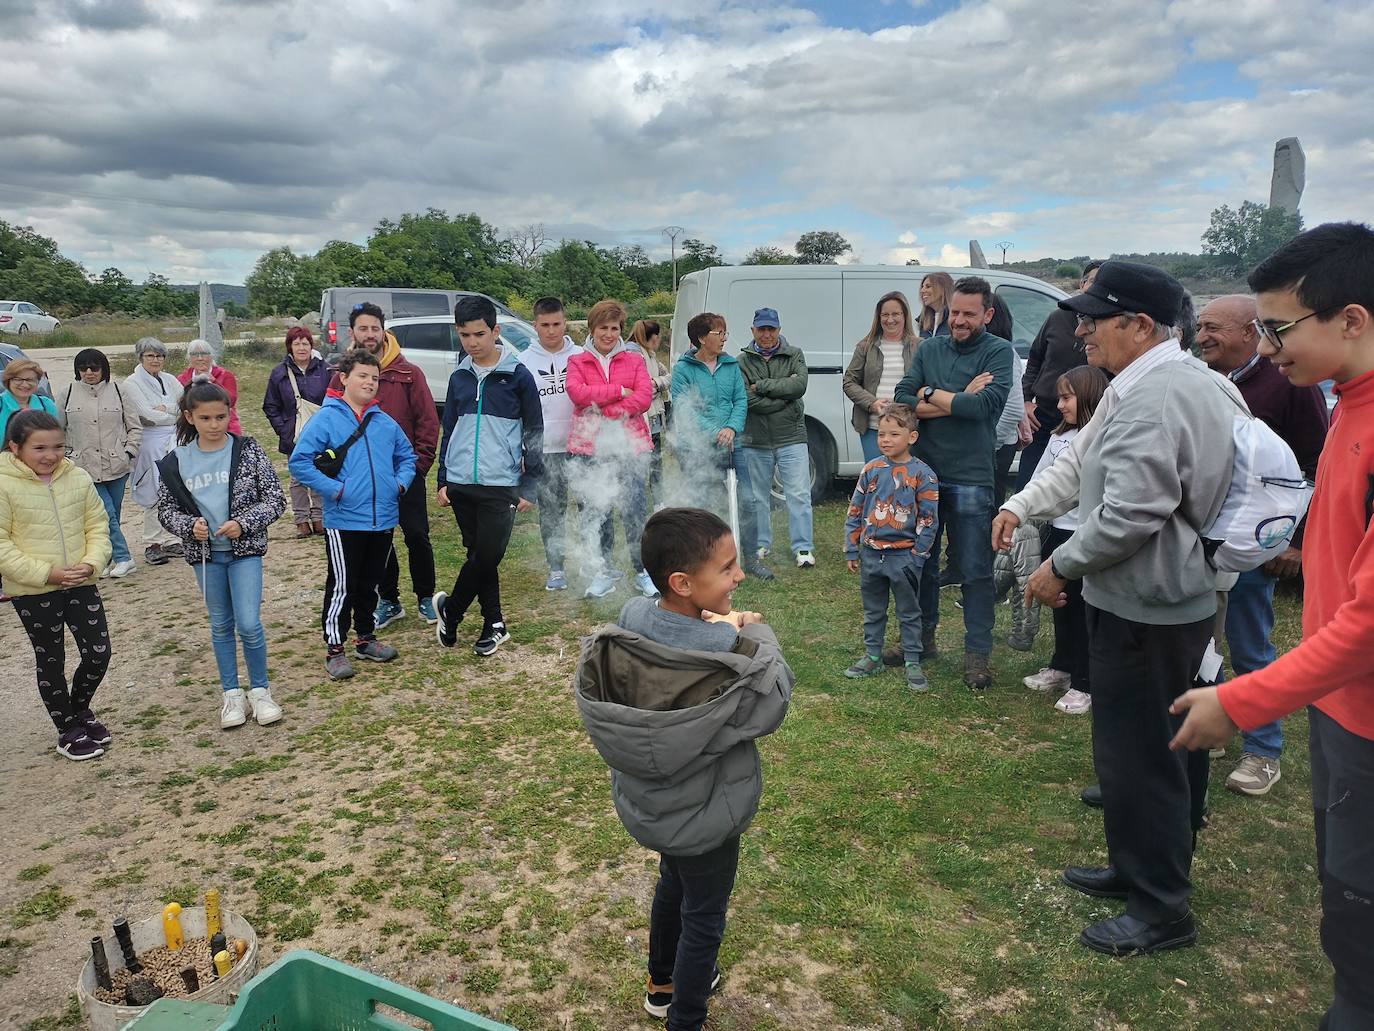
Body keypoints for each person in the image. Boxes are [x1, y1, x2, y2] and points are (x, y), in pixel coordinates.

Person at [1170, 222, 1374, 1029]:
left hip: (1363, 717)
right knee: (1342, 894)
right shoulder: (1347, 404)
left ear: (1351, 319)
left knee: (1360, 924)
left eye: (1280, 328)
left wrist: (1245, 701)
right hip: (1338, 707)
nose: (1267, 344)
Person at [1004, 260, 1235, 957]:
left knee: (1145, 755)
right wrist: (1024, 503)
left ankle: (1161, 907)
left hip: (1151, 607)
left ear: (1139, 325)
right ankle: (1136, 868)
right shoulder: (1143, 383)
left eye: (1095, 318)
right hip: (1148, 600)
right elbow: (1083, 466)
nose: (1081, 329)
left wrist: (1057, 566)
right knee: (1147, 750)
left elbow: (1132, 513)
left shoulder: (1160, 393)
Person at [573, 507, 794, 1031]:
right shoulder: (729, 660)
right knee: (704, 915)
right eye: (728, 568)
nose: (739, 576)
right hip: (708, 813)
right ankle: (686, 1017)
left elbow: (674, 627)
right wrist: (752, 633)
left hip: (657, 807)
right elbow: (775, 699)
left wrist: (719, 624)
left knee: (673, 882)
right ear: (682, 582)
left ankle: (661, 985)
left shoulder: (630, 626)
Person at [1193, 294, 1330, 796]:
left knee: (1251, 641)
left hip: (1256, 540)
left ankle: (1263, 752)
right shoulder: (1202, 378)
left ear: (1250, 331)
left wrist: (1293, 540)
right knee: (1204, 639)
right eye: (1199, 326)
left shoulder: (1289, 383)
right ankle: (1216, 721)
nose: (1202, 336)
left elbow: (1319, 464)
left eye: (1213, 328)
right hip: (1203, 534)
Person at [894, 276, 1014, 690]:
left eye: (969, 314)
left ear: (988, 314)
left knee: (975, 569)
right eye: (955, 312)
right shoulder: (930, 348)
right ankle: (922, 640)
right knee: (921, 563)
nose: (960, 321)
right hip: (924, 475)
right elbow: (902, 400)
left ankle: (977, 654)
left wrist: (933, 395)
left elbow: (982, 408)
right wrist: (955, 396)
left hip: (972, 477)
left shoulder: (999, 353)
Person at [157, 381, 288, 729]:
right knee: (220, 624)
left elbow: (275, 499)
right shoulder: (176, 461)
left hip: (244, 552)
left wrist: (243, 523)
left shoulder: (248, 450)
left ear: (230, 413)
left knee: (249, 623)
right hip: (206, 556)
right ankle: (231, 693)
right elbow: (166, 510)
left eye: (221, 416)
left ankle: (260, 691)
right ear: (190, 417)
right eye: (206, 418)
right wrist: (189, 526)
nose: (215, 425)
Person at [290, 349, 416, 681]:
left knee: (370, 583)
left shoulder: (385, 422)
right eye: (363, 376)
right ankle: (335, 648)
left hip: (384, 517)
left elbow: (407, 457)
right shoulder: (327, 419)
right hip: (345, 519)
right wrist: (336, 490)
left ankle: (365, 638)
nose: (370, 383)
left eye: (375, 378)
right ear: (344, 378)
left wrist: (399, 485)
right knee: (343, 585)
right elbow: (299, 462)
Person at [433, 295, 544, 655]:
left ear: (495, 331)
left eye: (479, 334)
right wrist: (443, 477)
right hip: (463, 481)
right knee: (478, 554)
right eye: (464, 335)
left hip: (502, 482)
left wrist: (531, 484)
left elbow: (535, 432)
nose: (472, 342)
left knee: (487, 555)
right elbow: (448, 427)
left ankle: (451, 610)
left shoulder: (518, 376)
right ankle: (494, 624)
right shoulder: (460, 377)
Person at [0, 410, 113, 760]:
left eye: (58, 446)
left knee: (98, 653)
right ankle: (67, 729)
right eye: (40, 448)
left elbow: (97, 525)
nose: (50, 455)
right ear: (15, 447)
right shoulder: (3, 483)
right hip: (34, 589)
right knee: (51, 657)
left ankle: (79, 710)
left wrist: (92, 562)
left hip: (80, 582)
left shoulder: (76, 477)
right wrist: (47, 573)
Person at [332, 302, 440, 630]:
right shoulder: (343, 377)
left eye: (374, 328)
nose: (369, 334)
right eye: (362, 329)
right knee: (379, 538)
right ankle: (389, 599)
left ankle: (425, 596)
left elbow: (428, 422)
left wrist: (419, 466)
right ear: (353, 332)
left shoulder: (409, 374)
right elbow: (332, 423)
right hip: (364, 478)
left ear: (384, 331)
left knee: (417, 534)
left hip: (405, 474)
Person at [1019, 365, 1110, 715]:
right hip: (1056, 533)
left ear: (1088, 397)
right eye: (1059, 396)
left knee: (1084, 608)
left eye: (1067, 397)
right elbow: (1042, 478)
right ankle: (1062, 664)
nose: (1059, 405)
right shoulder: (1058, 438)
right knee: (1058, 602)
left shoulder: (1101, 439)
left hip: (1085, 536)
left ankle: (1085, 682)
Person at [842, 404, 939, 692]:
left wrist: (917, 556)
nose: (885, 440)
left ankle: (912, 660)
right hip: (871, 554)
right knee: (873, 610)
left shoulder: (923, 475)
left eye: (894, 434)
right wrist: (852, 547)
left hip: (904, 558)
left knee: (909, 612)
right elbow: (855, 510)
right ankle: (873, 655)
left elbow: (928, 519)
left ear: (911, 437)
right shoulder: (871, 470)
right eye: (882, 434)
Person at [567, 299, 655, 599]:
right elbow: (578, 394)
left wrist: (606, 411)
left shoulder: (634, 360)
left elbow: (643, 397)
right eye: (603, 327)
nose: (609, 334)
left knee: (634, 510)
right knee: (597, 511)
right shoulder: (577, 361)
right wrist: (618, 391)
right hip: (591, 448)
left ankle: (644, 571)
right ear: (592, 329)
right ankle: (602, 572)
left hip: (630, 447)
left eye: (614, 328)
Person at [737, 306, 814, 577]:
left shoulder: (795, 354)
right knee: (758, 497)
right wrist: (783, 395)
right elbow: (747, 399)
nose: (767, 334)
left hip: (791, 437)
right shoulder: (741, 361)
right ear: (753, 331)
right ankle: (761, 544)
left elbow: (799, 386)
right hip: (755, 440)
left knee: (799, 494)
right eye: (762, 329)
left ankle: (803, 548)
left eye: (771, 329)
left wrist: (764, 386)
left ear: (779, 330)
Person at [1016, 261, 1102, 491]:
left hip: (1087, 420)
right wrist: (1025, 401)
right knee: (1028, 485)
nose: (1096, 287)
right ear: (1082, 283)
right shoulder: (1057, 317)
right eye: (1093, 281)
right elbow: (1034, 359)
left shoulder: (1106, 326)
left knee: (1072, 490)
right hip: (1043, 416)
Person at [58, 349, 142, 579]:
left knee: (110, 514)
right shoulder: (67, 393)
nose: (88, 372)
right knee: (105, 514)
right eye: (83, 368)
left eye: (94, 367)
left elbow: (134, 426)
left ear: (103, 368)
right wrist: (65, 456)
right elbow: (58, 430)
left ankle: (104, 558)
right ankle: (124, 557)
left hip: (116, 465)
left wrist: (129, 452)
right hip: (82, 467)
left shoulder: (119, 390)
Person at [517, 297, 580, 591]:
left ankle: (599, 564)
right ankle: (556, 568)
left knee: (591, 505)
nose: (551, 331)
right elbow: (517, 412)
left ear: (564, 323)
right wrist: (522, 451)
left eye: (557, 324)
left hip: (580, 446)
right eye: (545, 325)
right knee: (552, 512)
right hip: (544, 450)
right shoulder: (523, 362)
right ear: (535, 326)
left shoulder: (580, 356)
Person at [670, 312, 747, 524]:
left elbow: (740, 400)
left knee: (744, 500)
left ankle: (745, 551)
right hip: (695, 447)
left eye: (725, 333)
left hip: (732, 444)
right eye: (719, 333)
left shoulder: (731, 366)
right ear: (702, 338)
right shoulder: (682, 370)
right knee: (700, 503)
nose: (724, 338)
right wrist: (715, 433)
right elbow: (684, 408)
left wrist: (731, 428)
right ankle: (702, 551)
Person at [263, 327, 331, 538]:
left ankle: (319, 516)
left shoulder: (325, 370)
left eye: (305, 343)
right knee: (298, 477)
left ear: (312, 346)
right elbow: (270, 406)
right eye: (297, 343)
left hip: (321, 431)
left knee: (321, 472)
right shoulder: (279, 373)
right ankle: (301, 519)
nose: (301, 348)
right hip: (294, 434)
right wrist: (283, 430)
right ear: (289, 347)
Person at [124, 337, 185, 566]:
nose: (156, 360)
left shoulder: (169, 379)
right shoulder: (132, 383)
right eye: (150, 355)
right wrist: (172, 413)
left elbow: (185, 404)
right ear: (141, 357)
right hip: (149, 441)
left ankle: (171, 538)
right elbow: (147, 415)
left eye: (159, 356)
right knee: (153, 489)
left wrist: (168, 408)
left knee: (174, 487)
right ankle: (153, 542)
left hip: (174, 438)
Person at [842, 291, 919, 464]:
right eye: (885, 314)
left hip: (907, 428)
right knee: (879, 479)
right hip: (874, 428)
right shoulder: (865, 346)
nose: (890, 319)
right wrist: (871, 403)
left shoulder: (919, 346)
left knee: (906, 481)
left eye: (895, 314)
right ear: (879, 317)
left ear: (905, 315)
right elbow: (849, 381)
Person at [629, 318, 673, 503]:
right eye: (658, 335)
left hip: (654, 418)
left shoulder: (651, 355)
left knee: (656, 463)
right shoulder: (633, 354)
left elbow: (670, 376)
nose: (660, 339)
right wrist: (657, 383)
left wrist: (658, 382)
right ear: (652, 336)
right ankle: (641, 501)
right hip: (641, 421)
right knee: (641, 466)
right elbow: (646, 387)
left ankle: (658, 502)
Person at [176, 339, 242, 434]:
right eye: (194, 354)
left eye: (204, 354)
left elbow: (231, 401)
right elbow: (180, 403)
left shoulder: (225, 375)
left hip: (225, 426)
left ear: (211, 356)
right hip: (192, 426)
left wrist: (213, 380)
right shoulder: (182, 378)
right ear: (189, 358)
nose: (200, 358)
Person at [0, 358, 59, 444]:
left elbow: (55, 438)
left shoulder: (47, 405)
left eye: (30, 380)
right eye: (18, 379)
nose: (25, 384)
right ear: (8, 381)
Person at [917, 272, 955, 338]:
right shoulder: (924, 320)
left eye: (928, 286)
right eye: (922, 287)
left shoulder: (954, 319)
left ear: (943, 289)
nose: (922, 290)